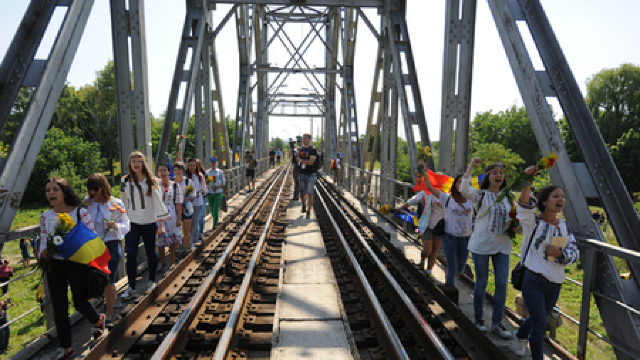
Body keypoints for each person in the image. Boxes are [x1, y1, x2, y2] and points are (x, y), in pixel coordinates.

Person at [513, 168, 579, 358]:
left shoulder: (565, 227)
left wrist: (560, 252)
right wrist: (527, 180)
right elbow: (524, 205)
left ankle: (520, 334)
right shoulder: (532, 223)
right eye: (555, 196)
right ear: (543, 201)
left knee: (536, 319)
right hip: (533, 279)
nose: (561, 199)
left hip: (555, 282)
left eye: (562, 196)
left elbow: (575, 253)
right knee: (541, 325)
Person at [40, 177, 104, 360]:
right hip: (55, 265)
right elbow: (44, 238)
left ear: (64, 192)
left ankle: (98, 321)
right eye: (48, 190)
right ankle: (66, 348)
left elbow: (92, 235)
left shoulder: (80, 212)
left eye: (55, 189)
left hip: (77, 263)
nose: (51, 193)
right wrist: (44, 251)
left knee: (79, 302)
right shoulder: (45, 216)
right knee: (60, 307)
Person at [460, 158, 513, 339]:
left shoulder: (507, 196)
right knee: (481, 282)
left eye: (501, 173)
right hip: (481, 244)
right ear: (488, 177)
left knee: (501, 284)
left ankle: (497, 322)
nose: (499, 176)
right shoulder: (480, 195)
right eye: (495, 173)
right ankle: (479, 319)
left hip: (502, 246)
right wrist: (471, 166)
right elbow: (464, 189)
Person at [120, 152, 169, 301]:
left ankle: (152, 280)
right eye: (133, 161)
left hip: (148, 221)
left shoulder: (151, 181)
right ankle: (131, 287)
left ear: (143, 163)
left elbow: (158, 203)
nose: (136, 164)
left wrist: (160, 225)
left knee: (150, 251)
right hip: (132, 222)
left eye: (139, 161)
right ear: (130, 164)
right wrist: (121, 223)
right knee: (132, 253)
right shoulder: (125, 181)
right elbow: (123, 203)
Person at [83, 173, 130, 324]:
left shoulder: (116, 203)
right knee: (93, 279)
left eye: (95, 188)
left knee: (109, 280)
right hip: (92, 246)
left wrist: (116, 226)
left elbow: (127, 225)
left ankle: (109, 313)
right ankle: (98, 312)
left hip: (111, 245)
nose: (93, 192)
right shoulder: (87, 203)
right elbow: (78, 220)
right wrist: (83, 206)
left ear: (103, 187)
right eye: (90, 189)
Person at [425, 174, 473, 286]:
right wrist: (423, 172)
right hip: (450, 238)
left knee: (460, 268)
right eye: (459, 182)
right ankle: (450, 290)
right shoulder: (447, 198)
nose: (462, 185)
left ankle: (449, 283)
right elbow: (430, 188)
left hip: (466, 239)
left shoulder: (472, 200)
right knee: (452, 267)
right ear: (455, 184)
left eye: (465, 183)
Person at [394, 188, 443, 277]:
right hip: (427, 225)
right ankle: (422, 260)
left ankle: (428, 271)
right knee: (427, 251)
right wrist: (401, 207)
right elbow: (413, 200)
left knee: (435, 250)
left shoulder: (445, 194)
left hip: (440, 226)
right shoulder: (426, 193)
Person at [156, 164, 183, 269]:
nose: (162, 172)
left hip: (171, 213)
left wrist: (179, 218)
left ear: (168, 172)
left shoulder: (175, 186)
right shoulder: (156, 185)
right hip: (159, 214)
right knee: (160, 240)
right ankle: (163, 262)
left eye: (164, 170)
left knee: (172, 240)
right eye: (160, 170)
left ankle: (172, 263)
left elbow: (178, 203)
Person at [173, 161, 194, 255]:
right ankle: (177, 249)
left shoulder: (188, 181)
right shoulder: (172, 182)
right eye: (175, 170)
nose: (177, 172)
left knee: (186, 229)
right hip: (175, 209)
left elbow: (193, 195)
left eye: (179, 170)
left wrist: (188, 197)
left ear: (183, 170)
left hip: (187, 209)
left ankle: (186, 248)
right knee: (176, 230)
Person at [296, 133, 318, 218]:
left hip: (311, 173)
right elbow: (296, 160)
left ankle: (308, 211)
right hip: (302, 172)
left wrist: (301, 160)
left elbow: (311, 162)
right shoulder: (300, 149)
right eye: (303, 138)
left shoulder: (313, 150)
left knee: (310, 193)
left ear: (309, 139)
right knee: (302, 192)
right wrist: (297, 151)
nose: (303, 140)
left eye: (305, 138)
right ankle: (303, 204)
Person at [186, 158, 206, 247]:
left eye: (194, 165)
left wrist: (201, 192)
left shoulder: (200, 176)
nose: (192, 167)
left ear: (196, 166)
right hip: (188, 202)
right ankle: (190, 238)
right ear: (188, 166)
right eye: (190, 165)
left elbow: (204, 188)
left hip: (198, 201)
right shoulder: (185, 176)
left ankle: (193, 241)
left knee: (195, 221)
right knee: (189, 221)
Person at [206, 157, 226, 228]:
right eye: (212, 162)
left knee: (215, 208)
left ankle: (215, 224)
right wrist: (207, 187)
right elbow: (206, 182)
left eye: (214, 162)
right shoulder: (208, 172)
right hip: (210, 192)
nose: (213, 164)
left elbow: (223, 182)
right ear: (210, 163)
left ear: (216, 163)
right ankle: (215, 219)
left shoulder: (220, 172)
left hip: (218, 192)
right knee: (211, 209)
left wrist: (219, 186)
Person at [290, 136, 302, 201]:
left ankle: (299, 196)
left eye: (300, 141)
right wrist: (291, 147)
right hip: (296, 167)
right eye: (298, 142)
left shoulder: (304, 149)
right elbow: (290, 156)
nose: (299, 143)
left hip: (302, 167)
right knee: (296, 182)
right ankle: (295, 196)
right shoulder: (295, 149)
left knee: (299, 182)